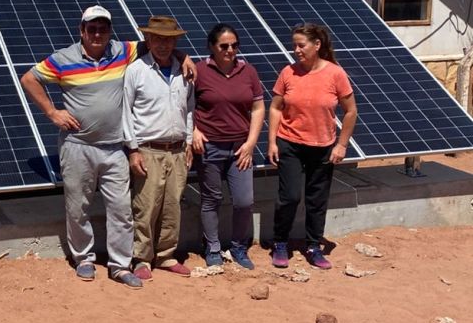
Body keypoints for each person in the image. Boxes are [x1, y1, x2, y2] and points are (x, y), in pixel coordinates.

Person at [20, 5, 195, 288]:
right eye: (92, 28)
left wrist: (184, 56)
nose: (97, 34)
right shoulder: (63, 59)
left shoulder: (122, 51)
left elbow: (160, 44)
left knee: (121, 210)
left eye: (103, 28)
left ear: (110, 31)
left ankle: (120, 265)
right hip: (78, 146)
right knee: (78, 207)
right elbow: (29, 79)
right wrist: (52, 113)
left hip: (115, 148)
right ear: (82, 30)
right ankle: (84, 259)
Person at [268, 23, 358, 270]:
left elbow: (351, 111)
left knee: (316, 199)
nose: (296, 50)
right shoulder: (288, 72)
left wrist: (342, 145)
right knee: (289, 197)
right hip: (290, 143)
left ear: (317, 45)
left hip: (323, 147)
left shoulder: (335, 74)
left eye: (301, 45)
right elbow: (275, 107)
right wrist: (272, 141)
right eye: (294, 45)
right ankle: (280, 242)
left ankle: (313, 246)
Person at [122, 16, 194, 280]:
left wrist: (188, 141)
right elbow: (125, 113)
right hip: (148, 150)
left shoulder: (185, 72)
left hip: (177, 150)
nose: (163, 45)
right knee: (146, 206)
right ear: (148, 40)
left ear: (175, 42)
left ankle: (166, 255)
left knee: (172, 206)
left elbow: (189, 109)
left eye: (169, 40)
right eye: (158, 39)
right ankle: (142, 258)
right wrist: (133, 150)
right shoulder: (136, 70)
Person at [191, 23, 265, 270]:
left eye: (235, 45)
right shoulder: (199, 71)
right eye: (224, 46)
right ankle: (212, 247)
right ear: (212, 47)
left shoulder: (248, 71)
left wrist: (251, 143)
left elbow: (258, 108)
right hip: (209, 147)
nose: (230, 50)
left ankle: (238, 247)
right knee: (211, 199)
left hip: (240, 148)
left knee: (244, 201)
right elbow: (185, 105)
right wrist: (194, 130)